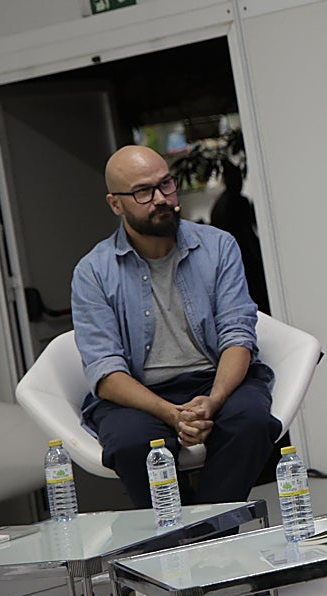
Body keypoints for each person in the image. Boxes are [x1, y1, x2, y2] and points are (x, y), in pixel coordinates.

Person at [72, 145, 280, 508]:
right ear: (115, 204)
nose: (161, 199)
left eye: (166, 184)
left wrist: (213, 400)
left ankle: (200, 535)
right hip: (139, 393)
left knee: (251, 422)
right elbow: (105, 371)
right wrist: (171, 413)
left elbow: (237, 334)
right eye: (143, 192)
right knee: (131, 443)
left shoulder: (218, 247)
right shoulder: (92, 272)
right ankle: (186, 534)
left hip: (213, 378)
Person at [209, 159, 270, 314]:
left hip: (231, 259)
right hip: (247, 257)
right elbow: (248, 233)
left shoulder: (220, 204)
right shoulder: (239, 202)